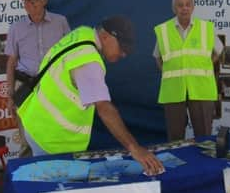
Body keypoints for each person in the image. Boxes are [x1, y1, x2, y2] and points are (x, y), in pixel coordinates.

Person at [17, 15, 164, 176]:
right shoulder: (88, 61)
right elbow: (104, 108)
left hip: (36, 121)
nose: (123, 54)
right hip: (51, 139)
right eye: (122, 48)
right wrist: (134, 148)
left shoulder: (83, 33)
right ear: (106, 36)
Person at [5, 0, 70, 156]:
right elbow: (11, 61)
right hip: (25, 83)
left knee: (54, 127)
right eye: (25, 1)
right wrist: (10, 93)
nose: (28, 5)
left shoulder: (60, 22)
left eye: (33, 0)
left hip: (53, 84)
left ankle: (55, 165)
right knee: (26, 130)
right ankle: (28, 170)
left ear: (44, 0)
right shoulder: (16, 27)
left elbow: (69, 55)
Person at [153, 0, 223, 141]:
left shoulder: (206, 28)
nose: (184, 8)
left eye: (187, 5)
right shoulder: (163, 30)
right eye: (180, 5)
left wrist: (205, 65)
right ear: (174, 8)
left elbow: (218, 50)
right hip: (173, 90)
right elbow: (157, 57)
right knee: (175, 137)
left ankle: (205, 164)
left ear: (193, 7)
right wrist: (168, 72)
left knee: (204, 135)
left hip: (201, 89)